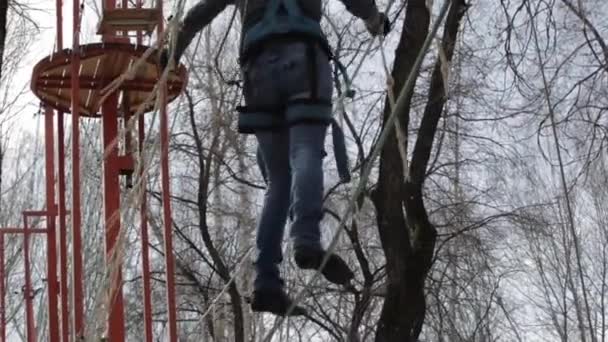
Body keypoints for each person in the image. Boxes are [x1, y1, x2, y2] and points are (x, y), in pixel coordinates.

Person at [161, 0, 390, 316]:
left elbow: (202, 12)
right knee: (306, 151)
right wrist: (373, 19)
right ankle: (306, 239)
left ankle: (266, 280)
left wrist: (171, 53)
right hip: (303, 57)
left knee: (279, 180)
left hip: (258, 71)